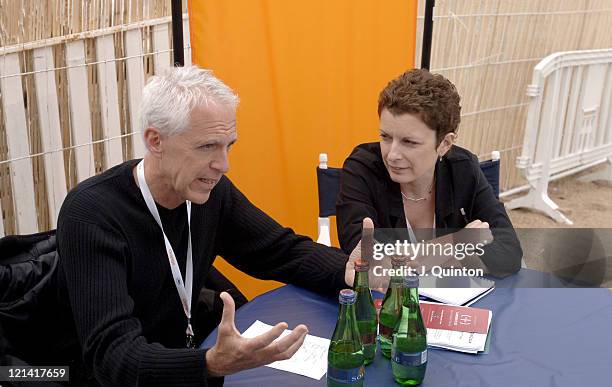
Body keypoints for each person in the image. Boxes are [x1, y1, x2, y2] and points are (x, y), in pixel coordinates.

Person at [56, 66, 363, 386]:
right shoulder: (91, 214)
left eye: (228, 145)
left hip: (189, 360)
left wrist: (349, 270)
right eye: (207, 147)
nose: (223, 165)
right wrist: (209, 363)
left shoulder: (208, 192)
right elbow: (112, 358)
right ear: (155, 140)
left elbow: (277, 250)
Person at [336, 68, 522, 277]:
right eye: (385, 137)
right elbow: (368, 259)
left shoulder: (463, 168)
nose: (392, 155)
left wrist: (432, 258)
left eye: (409, 142)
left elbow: (510, 253)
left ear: (444, 143)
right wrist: (457, 243)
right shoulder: (362, 168)